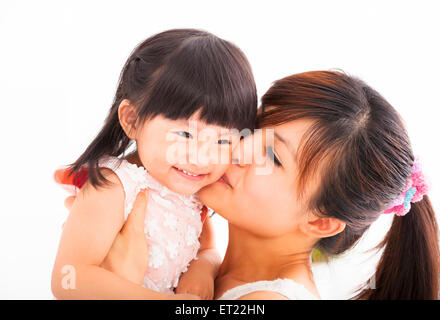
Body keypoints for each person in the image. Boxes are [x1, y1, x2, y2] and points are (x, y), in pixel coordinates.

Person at [63, 70, 439, 300]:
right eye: (254, 127)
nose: (239, 147)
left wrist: (123, 277)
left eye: (273, 157)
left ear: (321, 222)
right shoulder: (190, 228)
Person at [51, 28, 257, 299]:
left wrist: (203, 268)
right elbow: (69, 278)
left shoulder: (194, 191)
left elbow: (208, 249)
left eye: (222, 142)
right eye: (185, 135)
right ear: (132, 120)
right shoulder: (114, 187)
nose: (201, 158)